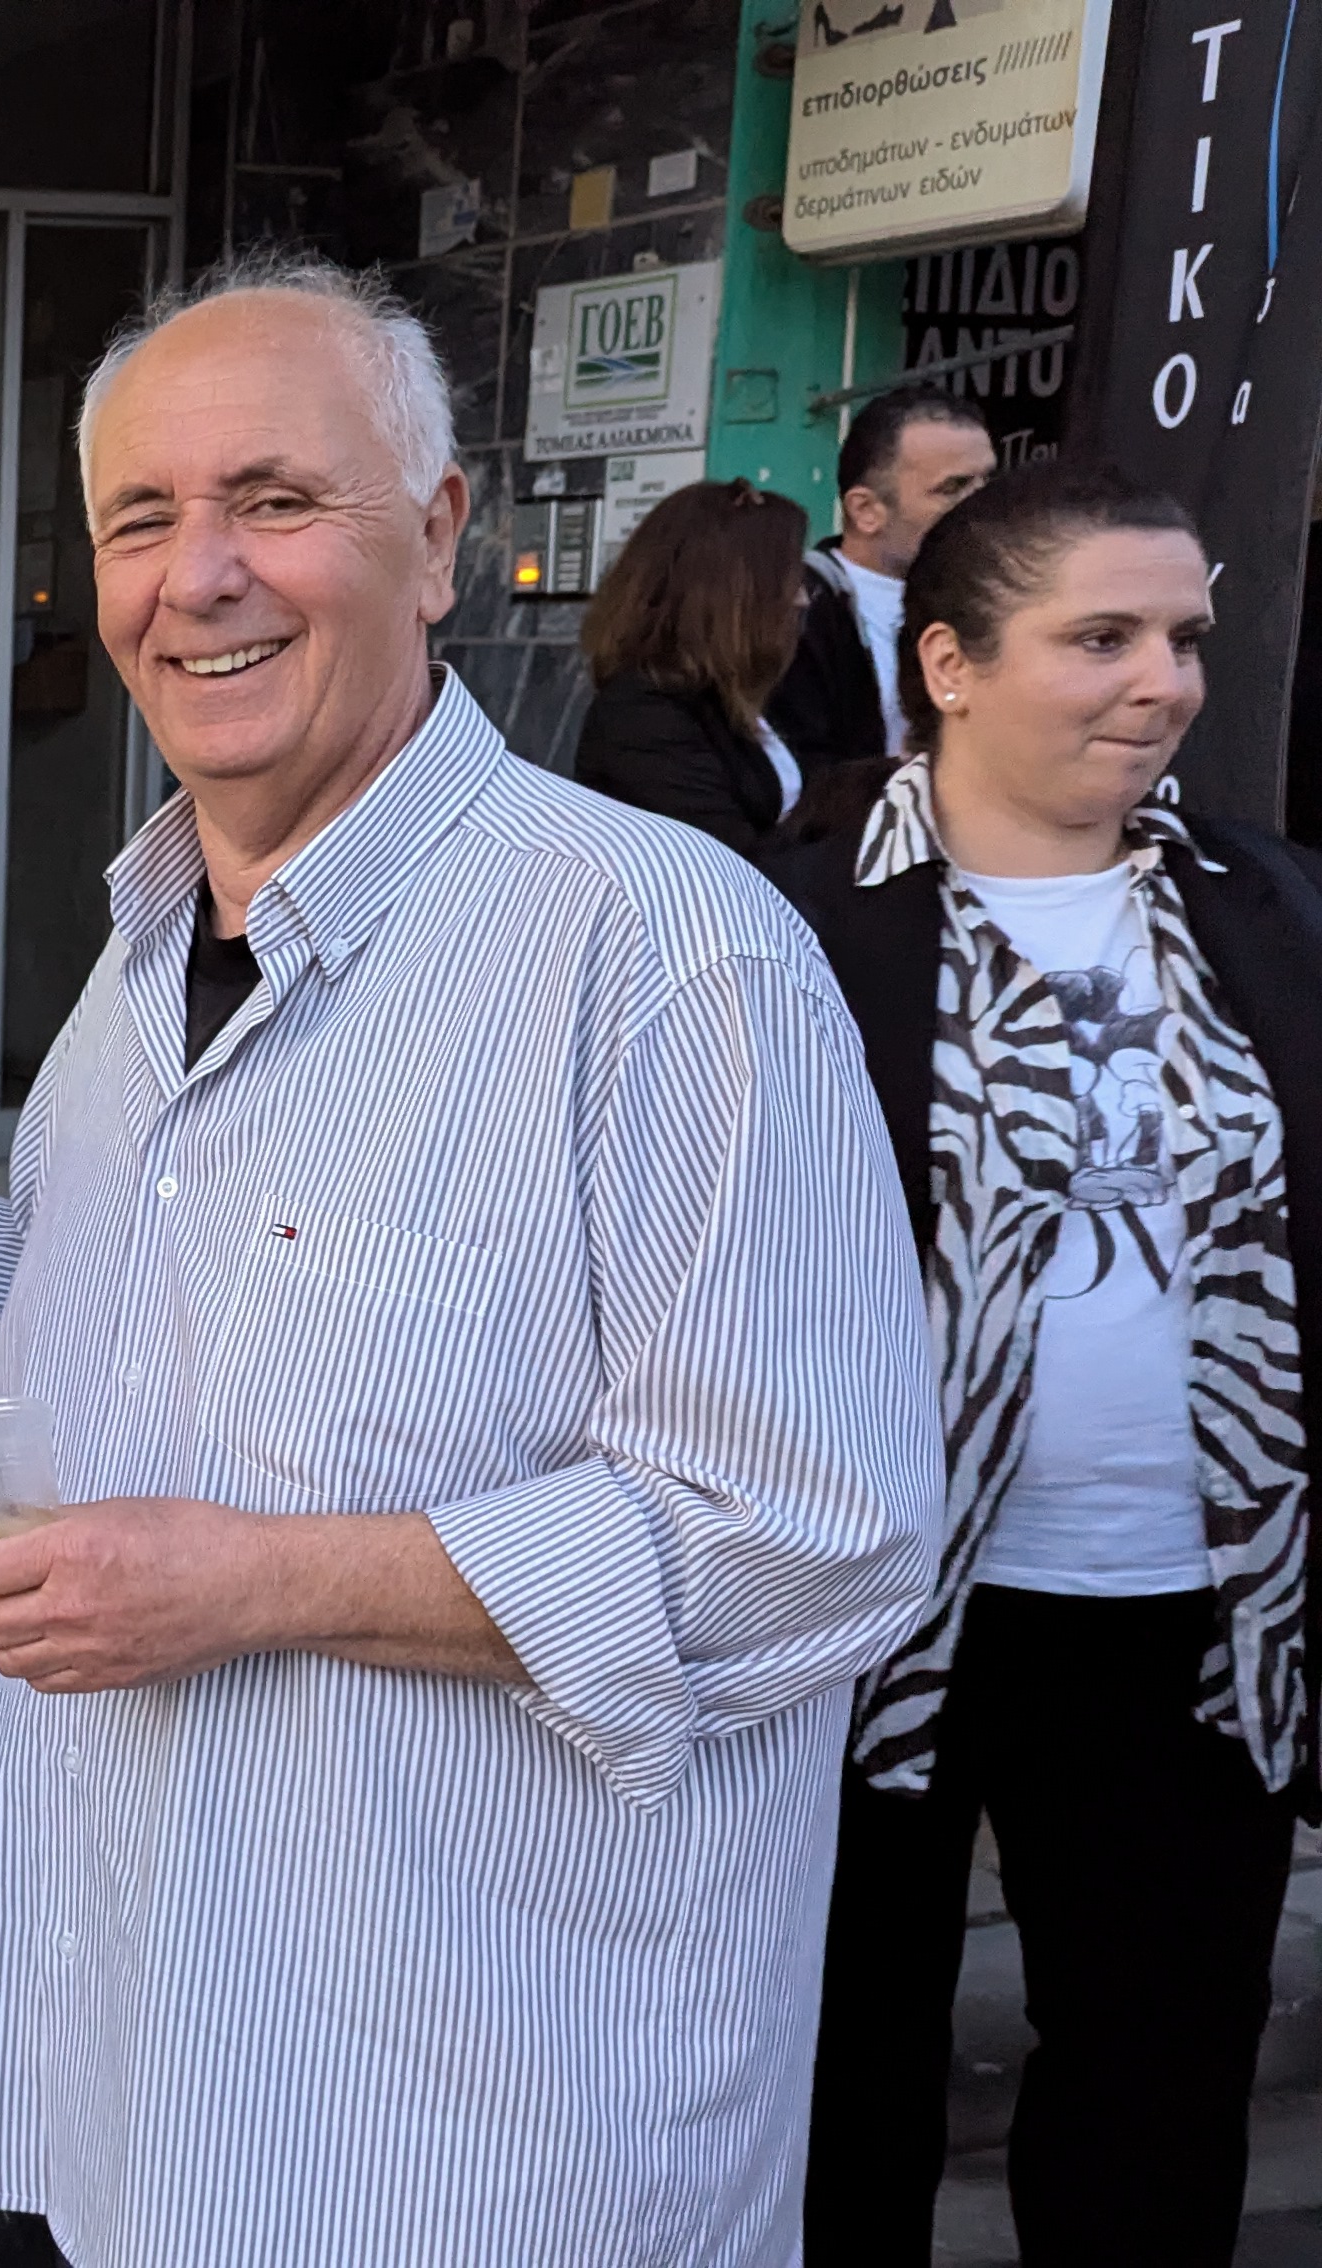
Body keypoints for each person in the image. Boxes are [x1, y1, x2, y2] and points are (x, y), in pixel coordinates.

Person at [0, 252, 945, 2266]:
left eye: (275, 500)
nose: (199, 576)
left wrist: (248, 1582)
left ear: (440, 535)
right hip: (120, 2077)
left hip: (473, 2145)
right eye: (141, 518)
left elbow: (816, 1535)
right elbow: (155, 1332)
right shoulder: (133, 970)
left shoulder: (663, 951)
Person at [766, 462, 1312, 2267]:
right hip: (855, 1620)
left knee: (1155, 2096)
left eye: (1185, 638)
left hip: (1193, 1622)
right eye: (1102, 638)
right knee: (830, 2082)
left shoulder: (1268, 912)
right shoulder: (780, 928)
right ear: (950, 663)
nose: (1164, 682)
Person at [571, 477, 814, 853]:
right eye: (788, 579)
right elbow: (728, 859)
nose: (802, 599)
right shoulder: (643, 716)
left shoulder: (729, 694)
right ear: (729, 594)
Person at [766, 387, 998, 767]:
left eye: (987, 482)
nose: (981, 505)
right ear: (866, 510)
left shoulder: (1005, 597)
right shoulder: (798, 611)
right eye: (952, 489)